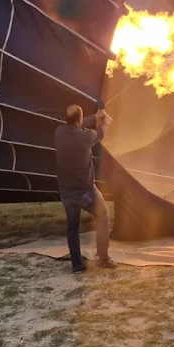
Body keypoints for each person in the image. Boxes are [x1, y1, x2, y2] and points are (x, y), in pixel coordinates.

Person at [55, 104, 116, 273]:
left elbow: (78, 125)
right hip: (85, 191)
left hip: (66, 192)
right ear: (80, 119)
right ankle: (102, 258)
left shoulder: (59, 132)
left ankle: (77, 264)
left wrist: (97, 116)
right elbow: (101, 133)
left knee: (72, 226)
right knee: (103, 216)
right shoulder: (85, 137)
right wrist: (106, 121)